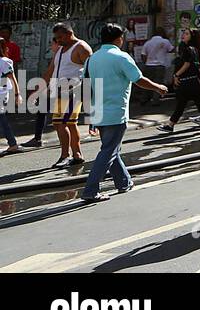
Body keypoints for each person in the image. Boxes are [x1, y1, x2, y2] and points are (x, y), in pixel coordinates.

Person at [80, 24, 169, 203]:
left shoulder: (92, 59)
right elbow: (138, 80)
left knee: (112, 149)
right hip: (115, 112)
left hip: (98, 112)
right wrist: (158, 87)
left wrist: (89, 115)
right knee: (109, 151)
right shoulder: (121, 57)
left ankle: (123, 182)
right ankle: (91, 189)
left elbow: (86, 87)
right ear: (118, 38)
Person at [47, 24, 91, 167]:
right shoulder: (60, 50)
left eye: (60, 37)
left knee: (63, 123)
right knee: (65, 123)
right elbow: (52, 68)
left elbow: (91, 70)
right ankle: (77, 154)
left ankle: (65, 155)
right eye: (56, 38)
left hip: (74, 91)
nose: (57, 40)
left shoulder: (81, 47)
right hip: (59, 91)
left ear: (70, 33)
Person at [160, 28, 200, 132]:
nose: (184, 35)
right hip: (193, 81)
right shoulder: (196, 49)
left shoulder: (188, 49)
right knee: (196, 103)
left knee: (185, 103)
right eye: (183, 33)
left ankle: (171, 124)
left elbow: (187, 64)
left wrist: (176, 75)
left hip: (188, 81)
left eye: (187, 34)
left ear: (192, 37)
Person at [138, 27, 173, 104]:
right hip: (160, 65)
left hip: (148, 65)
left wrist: (146, 62)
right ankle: (155, 100)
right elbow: (171, 50)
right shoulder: (165, 41)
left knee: (147, 83)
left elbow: (143, 55)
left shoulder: (148, 42)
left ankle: (144, 99)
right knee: (158, 83)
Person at [0, 48, 20, 154]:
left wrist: (17, 94)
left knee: (2, 119)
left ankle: (13, 143)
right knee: (2, 120)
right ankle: (12, 143)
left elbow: (12, 78)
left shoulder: (4, 61)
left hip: (1, 94)